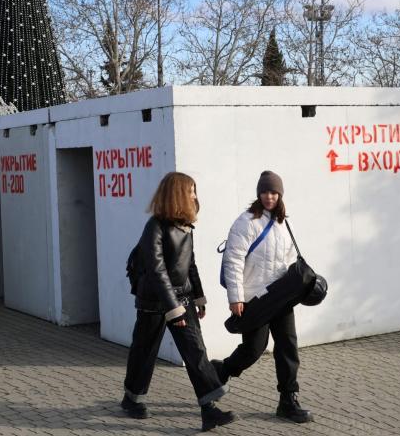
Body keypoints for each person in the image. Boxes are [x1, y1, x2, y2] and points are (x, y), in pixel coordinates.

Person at [121, 171, 236, 432]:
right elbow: (156, 270)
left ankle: (209, 410)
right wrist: (173, 307)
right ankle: (131, 398)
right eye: (191, 190)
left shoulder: (186, 226)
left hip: (181, 298)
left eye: (195, 190)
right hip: (154, 301)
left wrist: (198, 297)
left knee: (195, 351)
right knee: (144, 351)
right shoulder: (155, 227)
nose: (195, 195)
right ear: (177, 194)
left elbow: (190, 264)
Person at [212, 170, 313, 423]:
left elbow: (288, 261)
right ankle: (221, 370)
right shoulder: (246, 222)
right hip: (254, 298)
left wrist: (294, 288)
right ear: (259, 194)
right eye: (265, 192)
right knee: (254, 349)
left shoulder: (282, 223)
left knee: (288, 346)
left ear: (280, 195)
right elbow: (233, 260)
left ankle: (288, 400)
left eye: (274, 192)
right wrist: (236, 298)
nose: (269, 196)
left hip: (280, 297)